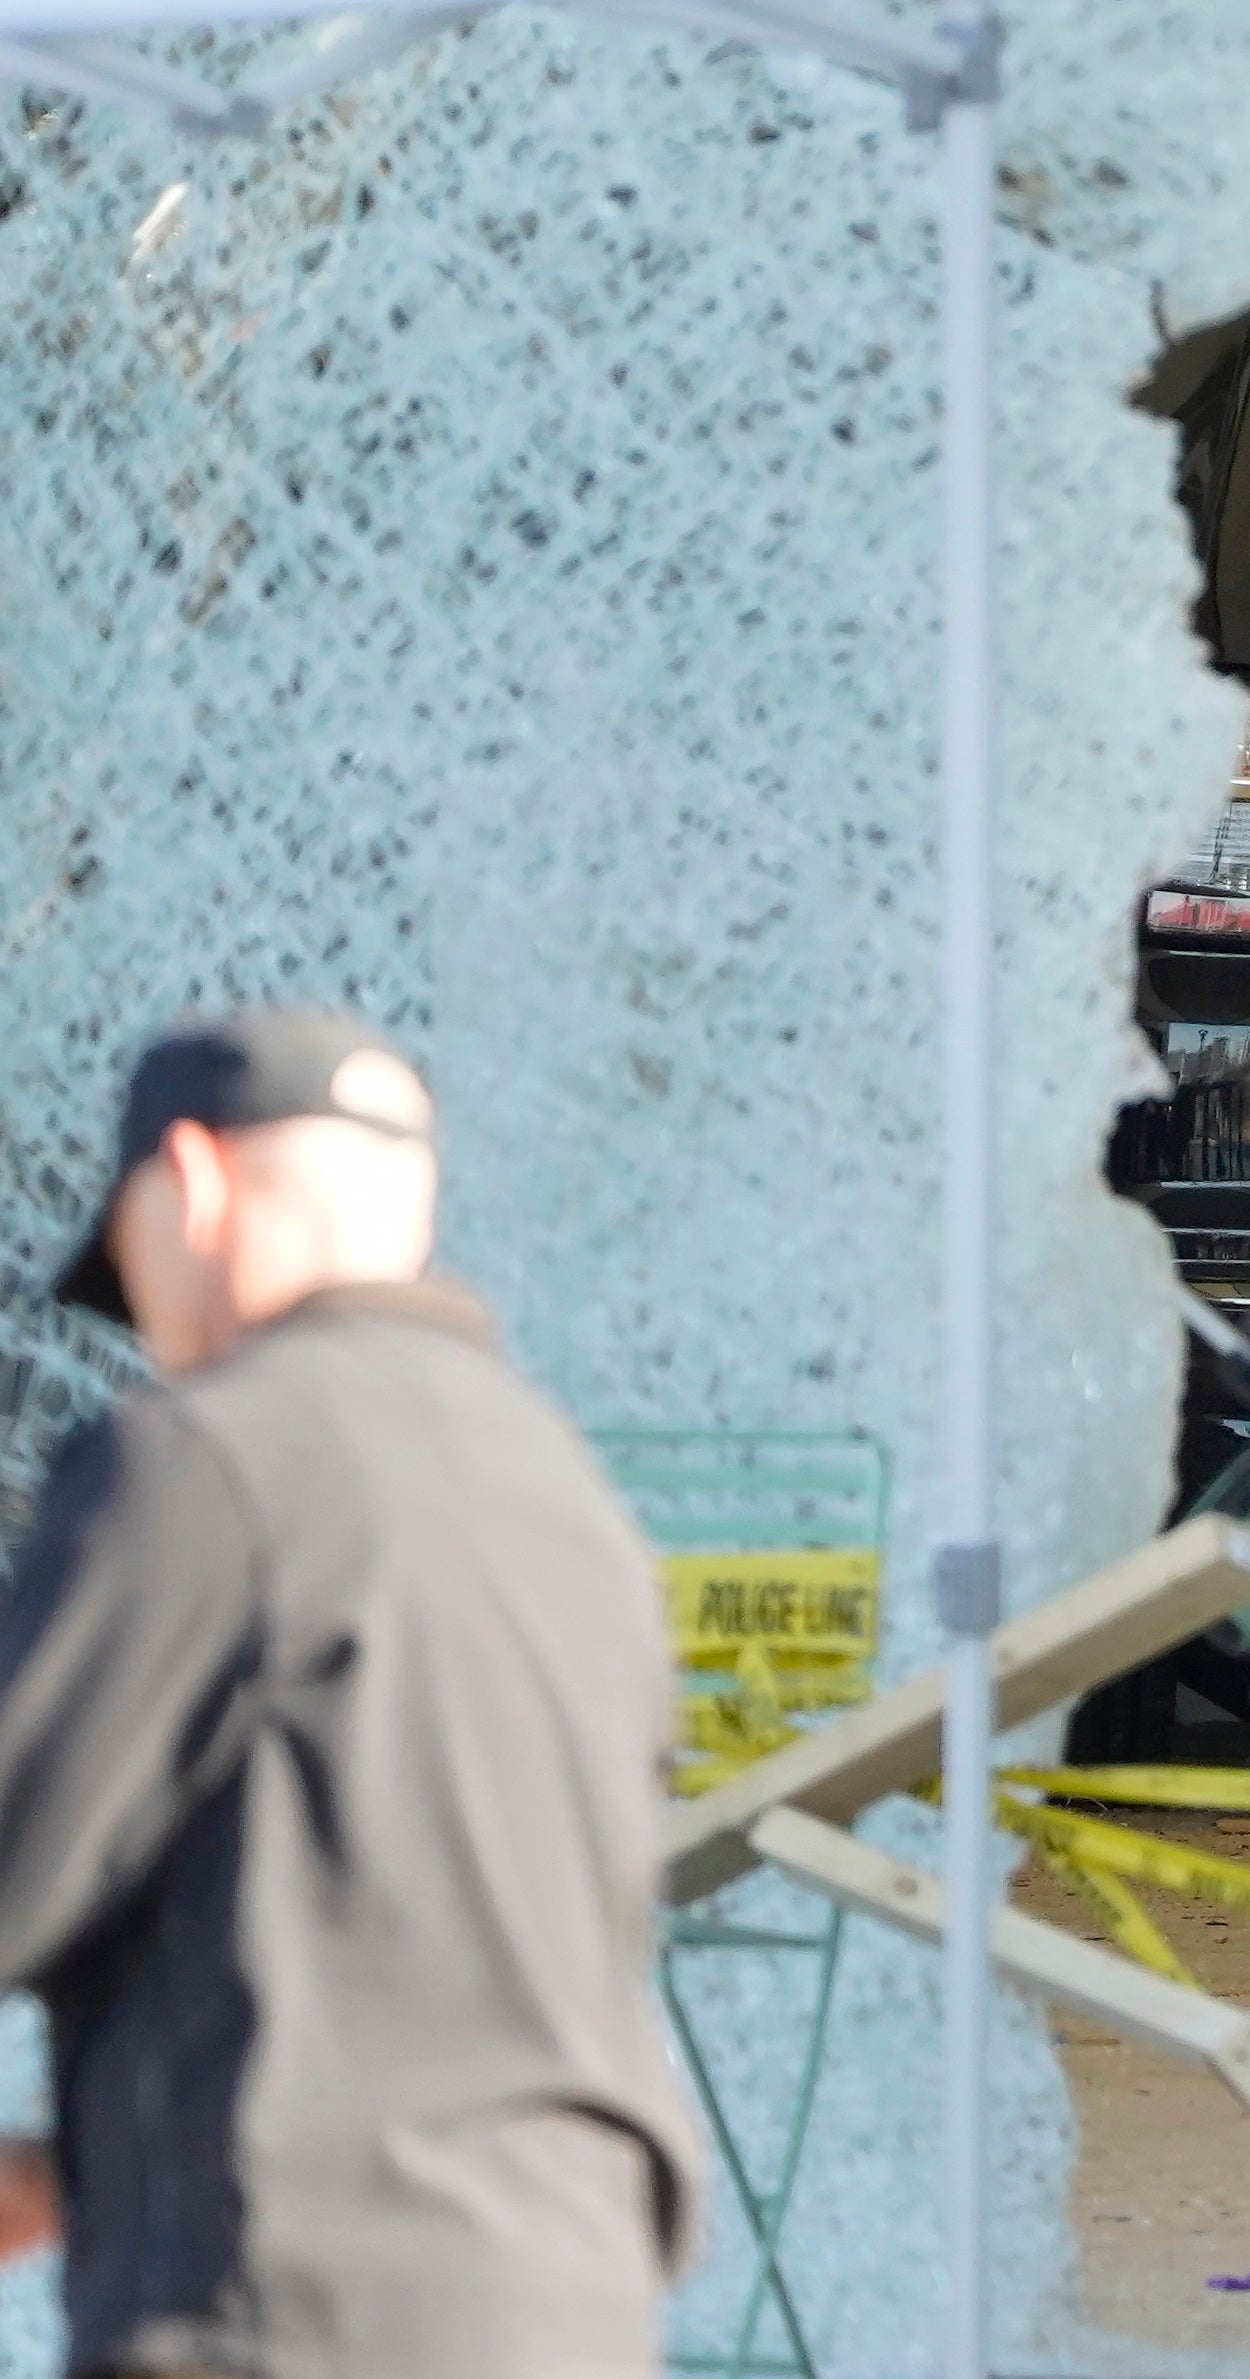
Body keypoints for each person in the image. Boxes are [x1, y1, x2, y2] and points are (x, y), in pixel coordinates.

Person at [0, 1009, 696, 2379]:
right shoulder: (568, 1504)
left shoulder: (208, 1459)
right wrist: (82, 2156)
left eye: (128, 1270)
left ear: (191, 1182)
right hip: (568, 2299)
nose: (147, 1331)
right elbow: (390, 1949)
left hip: (282, 2307)